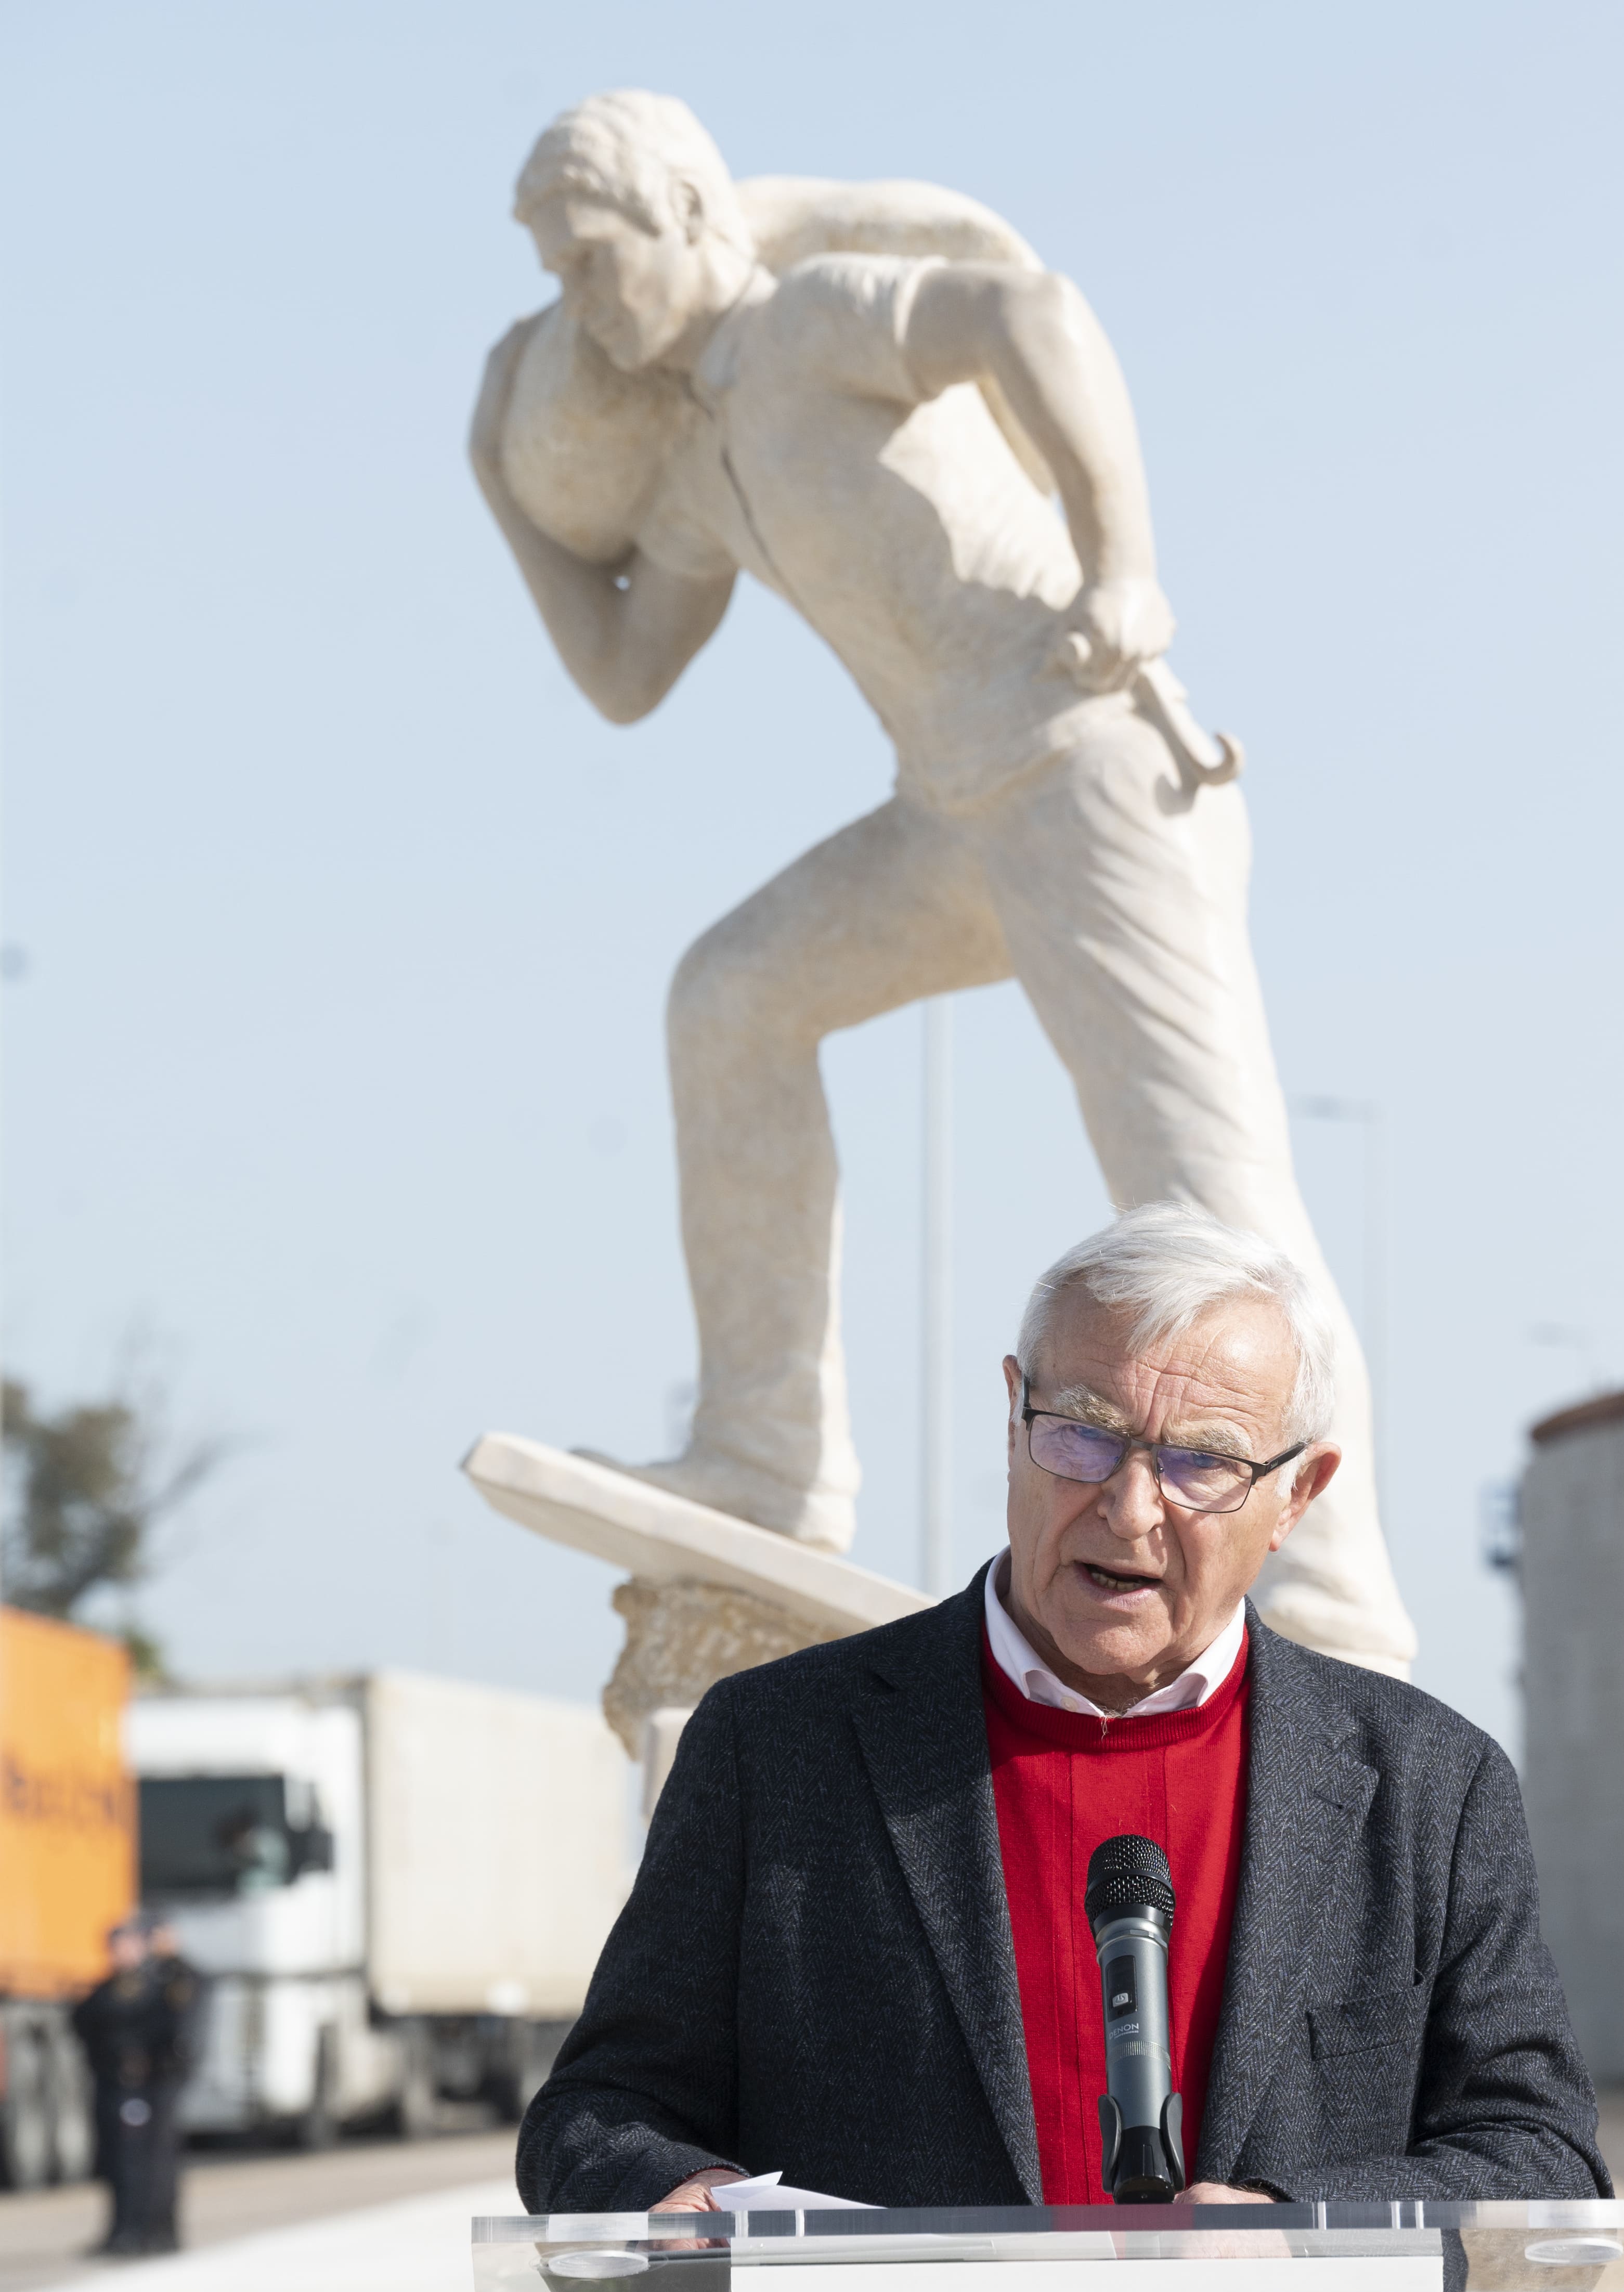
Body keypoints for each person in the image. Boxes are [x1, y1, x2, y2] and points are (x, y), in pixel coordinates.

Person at [521, 1205, 1607, 2292]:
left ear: (1298, 1494)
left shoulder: (1428, 1785)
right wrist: (695, 2204)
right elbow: (597, 2118)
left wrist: (1306, 2235)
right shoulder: (781, 1748)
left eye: (1199, 1458)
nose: (1126, 1498)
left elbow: (1538, 2163)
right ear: (1014, 1408)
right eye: (1081, 1427)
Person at [471, 90, 1414, 1676]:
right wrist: (508, 492)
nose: (585, 298)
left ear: (693, 215)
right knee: (734, 995)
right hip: (955, 818)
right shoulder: (703, 462)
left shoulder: (813, 320)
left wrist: (1123, 556)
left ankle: (1341, 1624)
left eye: (597, 254)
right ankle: (768, 1460)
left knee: (1214, 1205)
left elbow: (1026, 312)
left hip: (1091, 769)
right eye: (559, 272)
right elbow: (627, 670)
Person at [72, 1921, 201, 2256]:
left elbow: (184, 2009)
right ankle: (125, 2231)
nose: (120, 1954)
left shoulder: (162, 1982)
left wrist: (173, 1958)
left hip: (155, 2084)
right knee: (119, 2162)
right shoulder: (106, 1990)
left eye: (127, 1945)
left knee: (155, 2163)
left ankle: (156, 2232)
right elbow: (84, 2025)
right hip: (116, 2083)